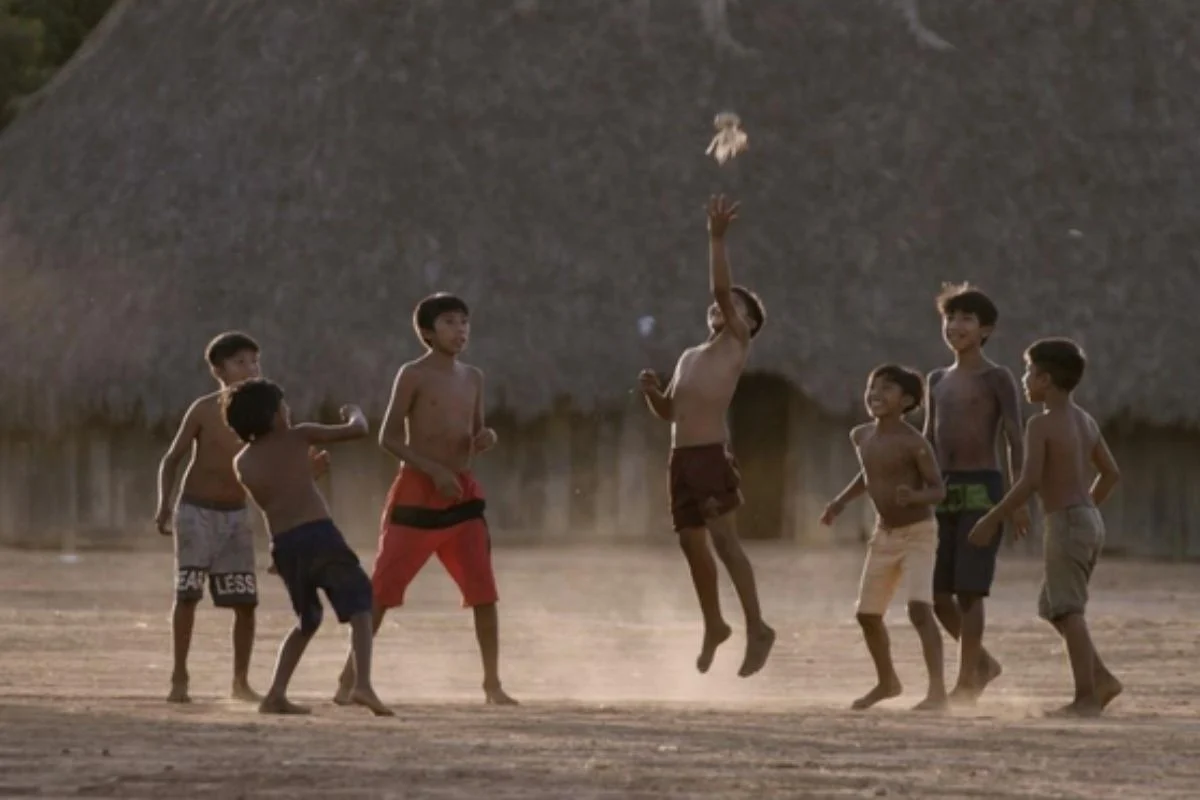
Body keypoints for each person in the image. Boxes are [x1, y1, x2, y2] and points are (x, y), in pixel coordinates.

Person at [336, 293, 517, 706]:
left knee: (484, 591)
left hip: (461, 495)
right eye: (450, 322)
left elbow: (474, 434)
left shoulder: (473, 377)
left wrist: (484, 439)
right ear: (427, 332)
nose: (460, 330)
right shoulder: (413, 374)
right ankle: (349, 678)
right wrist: (433, 471)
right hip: (418, 494)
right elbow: (388, 438)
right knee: (382, 590)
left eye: (464, 322)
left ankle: (492, 685)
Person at [638, 195, 775, 678]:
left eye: (734, 307)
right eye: (718, 306)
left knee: (724, 543)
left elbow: (719, 287)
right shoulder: (690, 356)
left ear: (748, 323)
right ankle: (715, 623)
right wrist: (652, 394)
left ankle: (758, 627)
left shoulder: (736, 343)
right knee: (691, 545)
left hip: (711, 457)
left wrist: (716, 239)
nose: (721, 306)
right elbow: (670, 412)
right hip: (681, 459)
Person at [968, 338, 1122, 717]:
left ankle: (1086, 697)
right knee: (1053, 606)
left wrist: (991, 518)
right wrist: (1086, 509)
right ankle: (1101, 679)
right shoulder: (1085, 421)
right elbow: (1110, 473)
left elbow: (1029, 481)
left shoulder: (1041, 424)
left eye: (1029, 372)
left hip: (1067, 521)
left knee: (1068, 609)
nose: (1024, 379)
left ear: (1045, 379)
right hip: (1088, 519)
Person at [223, 378, 392, 716]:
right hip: (320, 536)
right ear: (274, 416)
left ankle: (276, 694)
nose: (289, 411)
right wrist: (355, 412)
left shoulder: (242, 462)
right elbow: (357, 430)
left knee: (307, 619)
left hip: (285, 545)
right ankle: (362, 684)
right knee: (362, 603)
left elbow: (275, 500)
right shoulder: (298, 435)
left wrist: (306, 475)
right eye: (283, 406)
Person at [924, 283, 1029, 703]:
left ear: (986, 330)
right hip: (942, 491)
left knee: (969, 590)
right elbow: (928, 440)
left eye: (966, 319)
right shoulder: (936, 380)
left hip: (983, 489)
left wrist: (1017, 499)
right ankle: (983, 663)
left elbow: (1014, 438)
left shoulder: (996, 377)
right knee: (937, 595)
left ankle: (967, 681)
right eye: (950, 318)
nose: (956, 325)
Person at [822, 365, 948, 711]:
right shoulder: (861, 436)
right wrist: (840, 502)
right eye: (872, 387)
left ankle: (938, 692)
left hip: (918, 534)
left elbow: (938, 490)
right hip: (884, 535)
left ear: (906, 401)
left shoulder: (915, 443)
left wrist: (915, 496)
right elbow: (869, 474)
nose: (876, 394)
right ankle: (887, 681)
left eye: (887, 389)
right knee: (867, 615)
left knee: (919, 609)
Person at [154, 332, 265, 704]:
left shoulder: (270, 411)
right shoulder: (204, 409)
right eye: (240, 362)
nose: (251, 369)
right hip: (196, 511)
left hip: (236, 513)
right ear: (219, 371)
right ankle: (179, 676)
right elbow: (172, 459)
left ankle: (240, 682)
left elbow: (278, 460)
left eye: (255, 361)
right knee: (188, 595)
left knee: (246, 604)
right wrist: (164, 504)